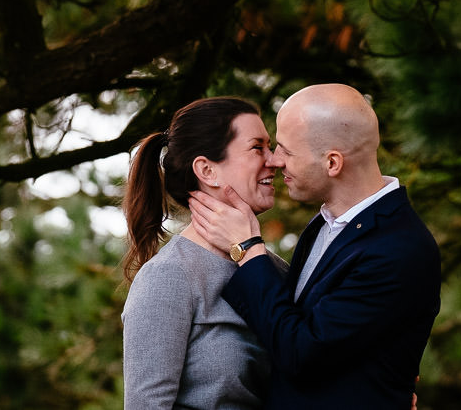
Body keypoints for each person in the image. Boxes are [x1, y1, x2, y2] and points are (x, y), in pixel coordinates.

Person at [189, 83, 441, 410]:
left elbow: (301, 353)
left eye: (286, 150)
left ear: (332, 163)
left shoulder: (397, 248)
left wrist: (248, 249)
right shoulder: (326, 223)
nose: (275, 161)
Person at [120, 96, 284, 409]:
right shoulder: (169, 277)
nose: (274, 160)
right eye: (257, 147)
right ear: (207, 170)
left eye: (270, 146)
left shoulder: (273, 269)